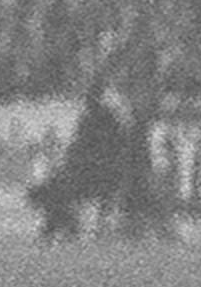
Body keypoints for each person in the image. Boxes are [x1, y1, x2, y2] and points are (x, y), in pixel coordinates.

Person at [26, 72, 150, 242]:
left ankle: (57, 229)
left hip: (98, 175)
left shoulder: (96, 121)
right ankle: (61, 228)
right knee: (56, 189)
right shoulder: (109, 121)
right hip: (102, 174)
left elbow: (81, 152)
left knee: (54, 190)